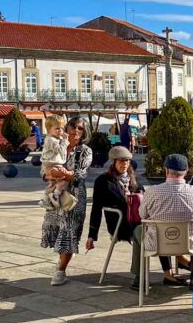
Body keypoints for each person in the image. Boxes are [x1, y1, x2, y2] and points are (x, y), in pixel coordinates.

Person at [132, 154, 193, 288]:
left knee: (139, 230)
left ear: (166, 170)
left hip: (158, 244)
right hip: (189, 244)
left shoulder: (152, 192)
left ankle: (140, 278)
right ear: (186, 171)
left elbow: (142, 215)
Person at [41, 117, 93, 286]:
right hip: (56, 196)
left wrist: (60, 174)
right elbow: (44, 171)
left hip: (75, 197)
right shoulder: (56, 144)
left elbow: (80, 175)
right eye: (73, 127)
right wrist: (48, 174)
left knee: (68, 232)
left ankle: (60, 270)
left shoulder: (84, 150)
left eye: (80, 128)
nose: (76, 131)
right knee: (57, 231)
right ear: (67, 127)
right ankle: (62, 260)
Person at [86, 146, 142, 280]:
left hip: (138, 220)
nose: (125, 164)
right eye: (121, 161)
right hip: (119, 224)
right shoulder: (104, 181)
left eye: (127, 161)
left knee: (159, 230)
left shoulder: (133, 179)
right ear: (114, 162)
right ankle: (140, 276)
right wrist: (92, 235)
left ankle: (169, 271)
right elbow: (96, 208)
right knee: (143, 233)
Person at [38, 115, 70, 209]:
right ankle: (55, 195)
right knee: (64, 179)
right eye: (57, 129)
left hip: (54, 164)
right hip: (51, 165)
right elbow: (59, 149)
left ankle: (46, 200)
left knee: (53, 183)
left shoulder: (56, 138)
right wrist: (65, 140)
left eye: (62, 128)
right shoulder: (51, 140)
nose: (60, 131)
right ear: (48, 129)